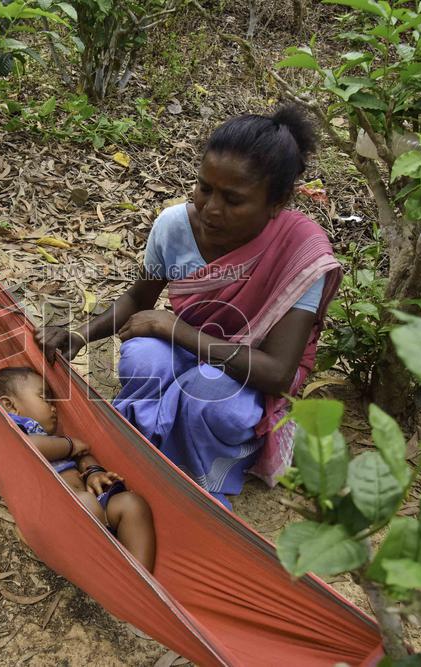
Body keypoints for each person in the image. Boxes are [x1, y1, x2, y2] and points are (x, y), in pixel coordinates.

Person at [37, 106, 341, 508]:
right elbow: (138, 299)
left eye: (233, 200)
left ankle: (208, 482)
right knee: (143, 358)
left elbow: (278, 372)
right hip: (193, 347)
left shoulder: (300, 252)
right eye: (204, 188)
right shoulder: (175, 226)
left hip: (246, 374)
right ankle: (142, 451)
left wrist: (173, 328)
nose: (211, 208)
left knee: (208, 397)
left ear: (277, 202)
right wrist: (80, 334)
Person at [0, 366, 156, 571]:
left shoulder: (56, 437)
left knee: (132, 503)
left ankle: (142, 579)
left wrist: (94, 472)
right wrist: (69, 445)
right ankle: (119, 577)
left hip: (92, 508)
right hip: (59, 518)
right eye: (44, 398)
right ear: (10, 406)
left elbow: (84, 454)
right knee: (83, 502)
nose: (54, 407)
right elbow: (30, 448)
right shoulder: (10, 432)